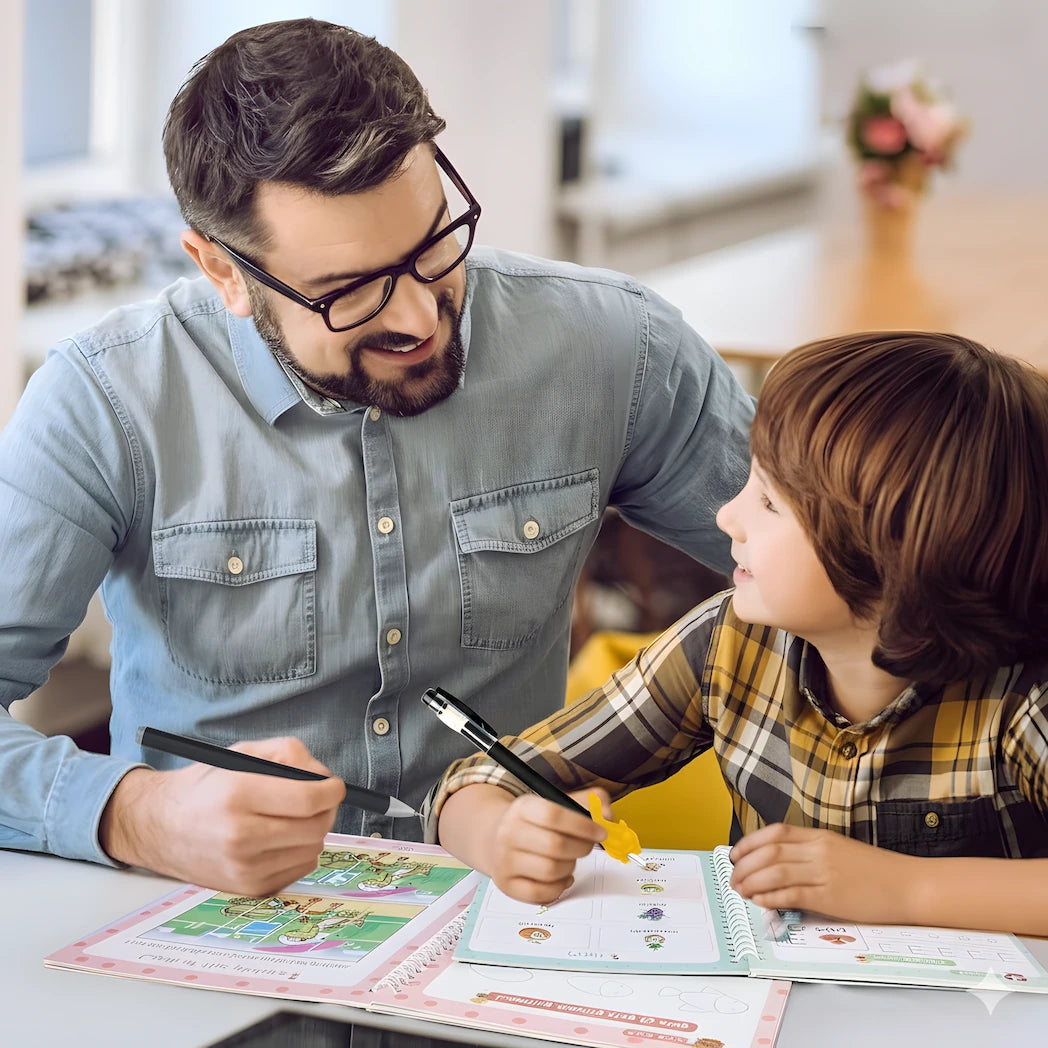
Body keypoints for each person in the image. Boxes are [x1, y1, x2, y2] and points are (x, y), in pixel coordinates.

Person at [0, 19, 753, 896]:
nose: (421, 318)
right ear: (223, 271)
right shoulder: (105, 399)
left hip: (513, 911)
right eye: (350, 291)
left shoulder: (616, 348)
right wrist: (140, 816)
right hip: (213, 921)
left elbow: (847, 572)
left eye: (434, 245)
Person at [428, 331, 1048, 935]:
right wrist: (499, 834)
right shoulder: (727, 644)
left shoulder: (1025, 697)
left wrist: (904, 889)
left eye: (771, 503)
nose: (728, 515)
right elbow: (477, 782)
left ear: (904, 555)